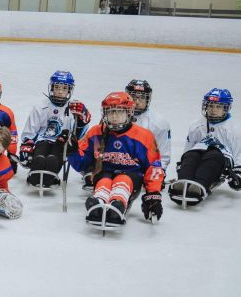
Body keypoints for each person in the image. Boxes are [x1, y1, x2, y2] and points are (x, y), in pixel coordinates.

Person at [68, 92, 165, 226]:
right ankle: (98, 203)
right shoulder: (96, 132)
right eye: (110, 112)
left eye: (119, 112)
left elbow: (153, 167)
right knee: (104, 180)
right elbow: (82, 164)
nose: (114, 116)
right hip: (103, 174)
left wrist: (153, 196)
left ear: (129, 113)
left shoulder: (144, 136)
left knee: (123, 179)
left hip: (132, 178)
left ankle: (117, 204)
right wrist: (72, 151)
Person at [169, 88, 240, 206]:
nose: (213, 110)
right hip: (199, 153)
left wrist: (238, 174)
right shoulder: (197, 125)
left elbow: (239, 153)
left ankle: (198, 186)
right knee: (191, 155)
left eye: (218, 106)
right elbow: (188, 148)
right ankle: (182, 182)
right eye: (211, 105)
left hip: (220, 160)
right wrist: (182, 164)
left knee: (214, 155)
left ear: (226, 108)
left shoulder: (235, 129)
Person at [19, 70, 90, 187]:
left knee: (54, 158)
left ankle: (49, 178)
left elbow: (78, 136)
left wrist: (82, 120)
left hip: (61, 144)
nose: (60, 91)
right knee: (40, 157)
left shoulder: (74, 109)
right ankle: (35, 175)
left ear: (69, 90)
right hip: (42, 141)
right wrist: (27, 144)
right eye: (57, 87)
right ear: (51, 88)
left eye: (64, 88)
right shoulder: (41, 107)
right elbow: (30, 130)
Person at [125, 79, 171, 169]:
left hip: (146, 169)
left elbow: (164, 156)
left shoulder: (159, 122)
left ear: (147, 99)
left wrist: (157, 172)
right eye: (133, 97)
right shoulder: (115, 117)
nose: (137, 102)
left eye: (142, 97)